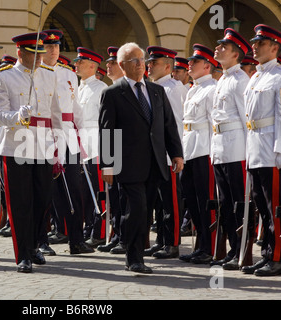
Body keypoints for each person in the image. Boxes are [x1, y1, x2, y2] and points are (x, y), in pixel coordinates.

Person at [99, 42, 184, 274]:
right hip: (128, 164)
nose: (140, 64)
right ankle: (133, 255)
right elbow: (107, 131)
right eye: (133, 60)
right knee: (135, 208)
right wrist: (108, 164)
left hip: (155, 162)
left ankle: (136, 248)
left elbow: (168, 124)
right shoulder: (113, 93)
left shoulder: (157, 91)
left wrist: (176, 153)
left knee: (146, 211)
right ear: (122, 65)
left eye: (141, 59)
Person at [0, 32, 63, 273]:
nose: (40, 58)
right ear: (21, 53)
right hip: (16, 146)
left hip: (43, 146)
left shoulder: (49, 76)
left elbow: (55, 115)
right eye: (35, 54)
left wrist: (59, 147)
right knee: (21, 203)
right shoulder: (4, 77)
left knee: (42, 200)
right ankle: (23, 254)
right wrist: (16, 117)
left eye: (41, 53)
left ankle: (33, 245)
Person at [241, 24, 281, 276]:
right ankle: (267, 254)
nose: (254, 46)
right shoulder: (255, 76)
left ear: (274, 48)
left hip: (271, 150)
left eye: (260, 44)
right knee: (262, 206)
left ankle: (278, 257)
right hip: (254, 148)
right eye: (254, 43)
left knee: (275, 207)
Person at [40, 29, 92, 255]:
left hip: (68, 138)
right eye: (48, 46)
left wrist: (82, 137)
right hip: (43, 138)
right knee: (45, 192)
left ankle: (76, 240)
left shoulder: (69, 75)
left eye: (56, 46)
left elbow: (75, 107)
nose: (53, 50)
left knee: (74, 189)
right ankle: (41, 240)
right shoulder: (35, 73)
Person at [209, 28, 252, 269]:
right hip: (220, 148)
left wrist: (248, 154)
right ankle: (232, 249)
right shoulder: (223, 78)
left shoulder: (239, 81)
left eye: (223, 47)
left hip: (236, 149)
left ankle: (241, 249)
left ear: (236, 54)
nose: (218, 49)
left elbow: (247, 121)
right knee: (225, 202)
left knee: (237, 201)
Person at [146, 46, 187, 259]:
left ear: (168, 66)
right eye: (150, 62)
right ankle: (162, 239)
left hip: (167, 154)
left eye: (155, 63)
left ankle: (172, 242)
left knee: (171, 199)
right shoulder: (153, 88)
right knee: (160, 202)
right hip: (156, 154)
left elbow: (175, 124)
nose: (149, 65)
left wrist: (175, 153)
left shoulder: (172, 88)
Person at [179, 44, 218, 264]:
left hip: (204, 150)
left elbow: (213, 123)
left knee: (205, 201)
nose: (189, 64)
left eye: (194, 62)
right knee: (192, 200)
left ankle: (210, 246)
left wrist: (214, 154)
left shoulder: (212, 89)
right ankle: (201, 245)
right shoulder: (193, 89)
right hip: (190, 150)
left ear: (206, 66)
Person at [73, 47, 108, 246]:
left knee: (98, 191)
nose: (76, 64)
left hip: (96, 145)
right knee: (83, 191)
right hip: (80, 144)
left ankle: (100, 231)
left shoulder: (100, 88)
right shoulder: (79, 88)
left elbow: (105, 121)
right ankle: (88, 228)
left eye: (80, 62)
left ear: (93, 66)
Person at [97, 45, 127, 255]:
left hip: (126, 148)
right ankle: (116, 235)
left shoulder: (126, 89)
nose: (108, 66)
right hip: (113, 145)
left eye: (113, 62)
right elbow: (106, 128)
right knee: (113, 196)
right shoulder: (110, 90)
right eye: (107, 62)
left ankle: (124, 237)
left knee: (125, 197)